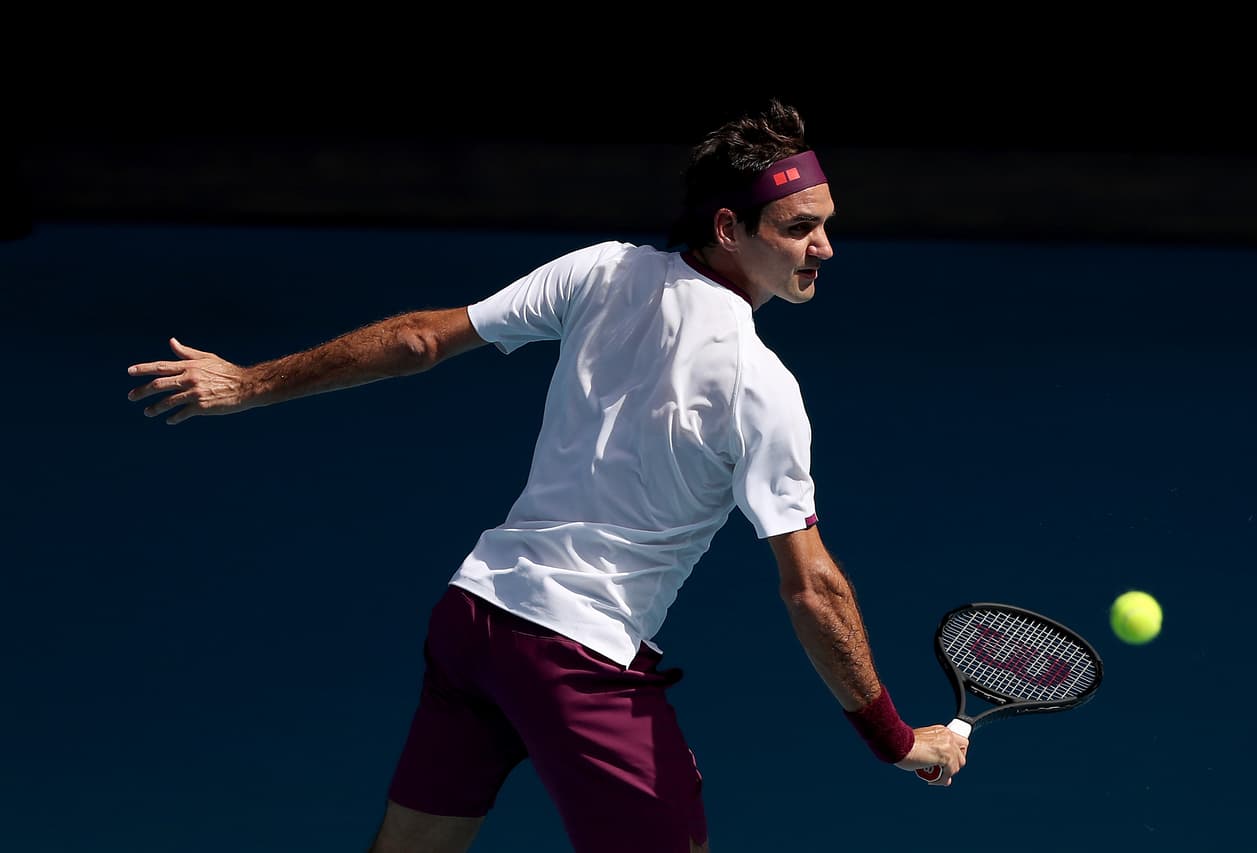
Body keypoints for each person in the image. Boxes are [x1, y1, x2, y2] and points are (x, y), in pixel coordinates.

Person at [126, 98, 969, 853]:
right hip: (578, 652)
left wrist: (249, 381)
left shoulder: (600, 269)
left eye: (824, 222)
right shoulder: (762, 385)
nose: (824, 246)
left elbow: (421, 339)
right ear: (727, 229)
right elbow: (812, 589)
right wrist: (897, 739)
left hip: (475, 618)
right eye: (797, 227)